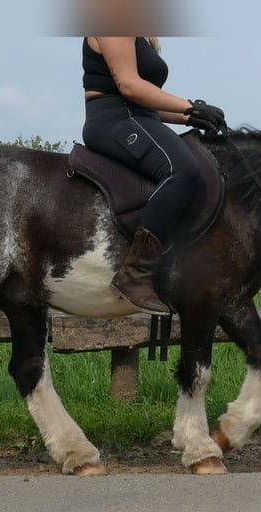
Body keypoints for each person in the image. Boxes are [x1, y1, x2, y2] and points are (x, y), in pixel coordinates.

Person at [82, 36, 226, 316]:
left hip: (139, 118)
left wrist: (190, 118)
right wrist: (189, 105)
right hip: (115, 119)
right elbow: (129, 86)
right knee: (181, 170)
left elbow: (146, 103)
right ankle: (134, 276)